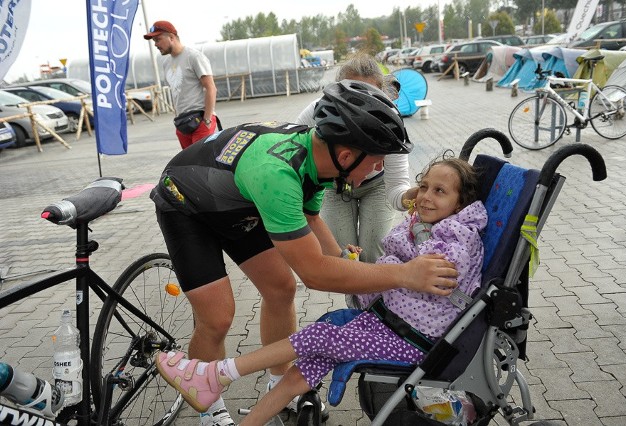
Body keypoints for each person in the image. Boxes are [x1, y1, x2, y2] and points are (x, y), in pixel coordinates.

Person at [149, 80, 458, 426]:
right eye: (376, 163)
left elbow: (310, 218)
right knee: (218, 316)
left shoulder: (320, 160)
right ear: (346, 156)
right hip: (187, 204)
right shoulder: (279, 176)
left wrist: (342, 256)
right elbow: (314, 273)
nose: (377, 171)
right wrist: (405, 274)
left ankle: (279, 383)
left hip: (238, 202)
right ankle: (208, 406)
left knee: (281, 289)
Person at [296, 52, 417, 265]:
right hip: (334, 188)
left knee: (372, 256)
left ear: (381, 94)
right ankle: (356, 299)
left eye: (368, 95)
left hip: (376, 188)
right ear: (336, 90)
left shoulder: (389, 122)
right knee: (346, 258)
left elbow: (397, 190)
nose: (358, 103)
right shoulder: (315, 112)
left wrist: (418, 195)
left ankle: (377, 298)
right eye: (350, 92)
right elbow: (296, 160)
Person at [144, 20, 218, 149]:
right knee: (189, 164)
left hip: (200, 120)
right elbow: (176, 91)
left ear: (171, 37)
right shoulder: (166, 63)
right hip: (182, 123)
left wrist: (207, 120)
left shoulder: (194, 57)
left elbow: (211, 88)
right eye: (154, 41)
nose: (156, 44)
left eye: (158, 39)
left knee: (201, 163)